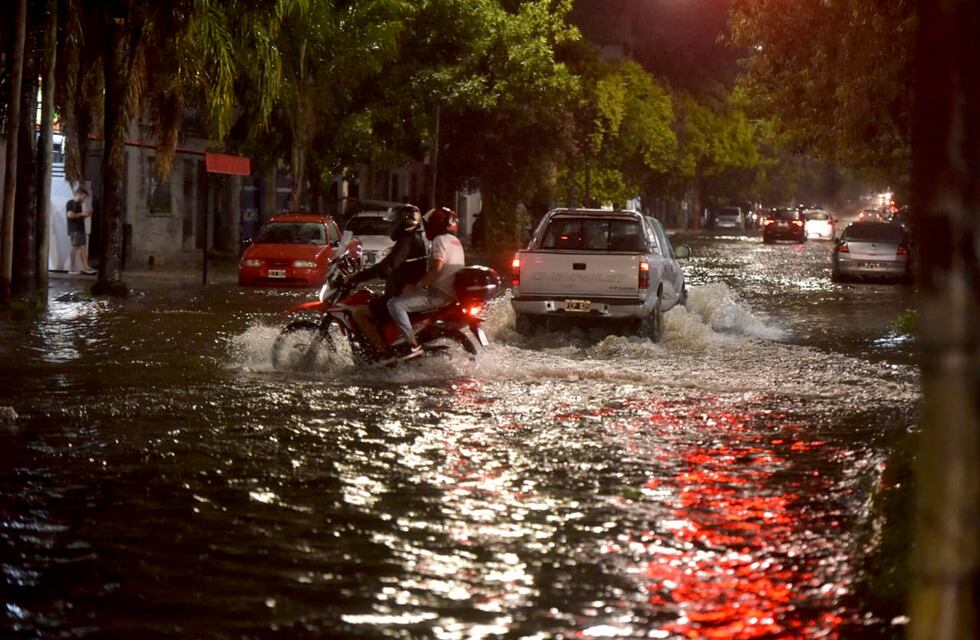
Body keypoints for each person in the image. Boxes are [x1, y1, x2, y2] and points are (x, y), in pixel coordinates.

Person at [345, 205, 427, 351]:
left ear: (405, 222)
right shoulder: (413, 239)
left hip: (401, 294)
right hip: (402, 291)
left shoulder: (406, 241)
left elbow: (387, 267)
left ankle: (381, 350)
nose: (392, 225)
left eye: (395, 221)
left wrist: (357, 277)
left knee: (359, 313)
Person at [386, 207, 465, 360]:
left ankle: (412, 345)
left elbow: (437, 268)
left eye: (428, 224)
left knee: (394, 305)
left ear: (436, 225)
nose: (426, 228)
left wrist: (418, 285)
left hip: (439, 295)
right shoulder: (455, 241)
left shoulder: (439, 240)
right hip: (450, 294)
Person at [66, 187, 96, 275]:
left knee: (83, 248)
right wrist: (82, 214)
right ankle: (71, 268)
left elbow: (79, 217)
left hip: (81, 228)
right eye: (84, 197)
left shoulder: (79, 205)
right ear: (79, 194)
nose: (84, 199)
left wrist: (88, 214)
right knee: (75, 247)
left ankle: (86, 268)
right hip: (75, 229)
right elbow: (70, 215)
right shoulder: (70, 203)